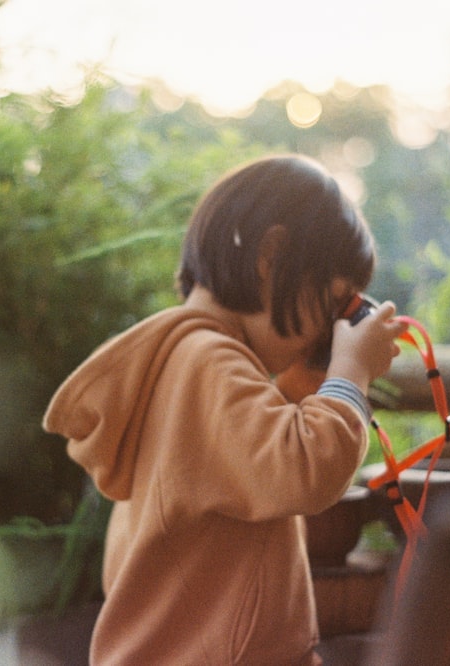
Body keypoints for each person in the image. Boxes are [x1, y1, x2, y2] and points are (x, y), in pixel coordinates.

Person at [43, 154, 406, 664]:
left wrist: (302, 390)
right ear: (272, 257)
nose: (331, 329)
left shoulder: (184, 361)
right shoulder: (208, 363)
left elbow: (243, 471)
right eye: (333, 304)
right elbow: (303, 469)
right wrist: (351, 374)